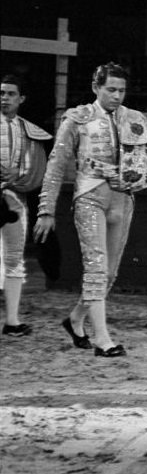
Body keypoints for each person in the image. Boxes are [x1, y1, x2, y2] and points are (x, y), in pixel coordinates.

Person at [34, 62, 147, 358]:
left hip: (124, 198)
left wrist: (136, 181)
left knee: (110, 272)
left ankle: (76, 320)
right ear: (96, 88)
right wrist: (46, 209)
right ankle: (103, 340)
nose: (117, 96)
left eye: (122, 90)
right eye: (111, 89)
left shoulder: (135, 118)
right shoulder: (77, 119)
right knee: (97, 268)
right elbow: (56, 164)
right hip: (90, 196)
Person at [1, 74, 53, 337]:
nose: (4, 98)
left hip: (13, 200)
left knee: (13, 259)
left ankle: (11, 321)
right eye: (1, 93)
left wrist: (17, 177)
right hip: (10, 200)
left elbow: (36, 168)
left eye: (10, 94)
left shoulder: (29, 132)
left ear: (21, 99)